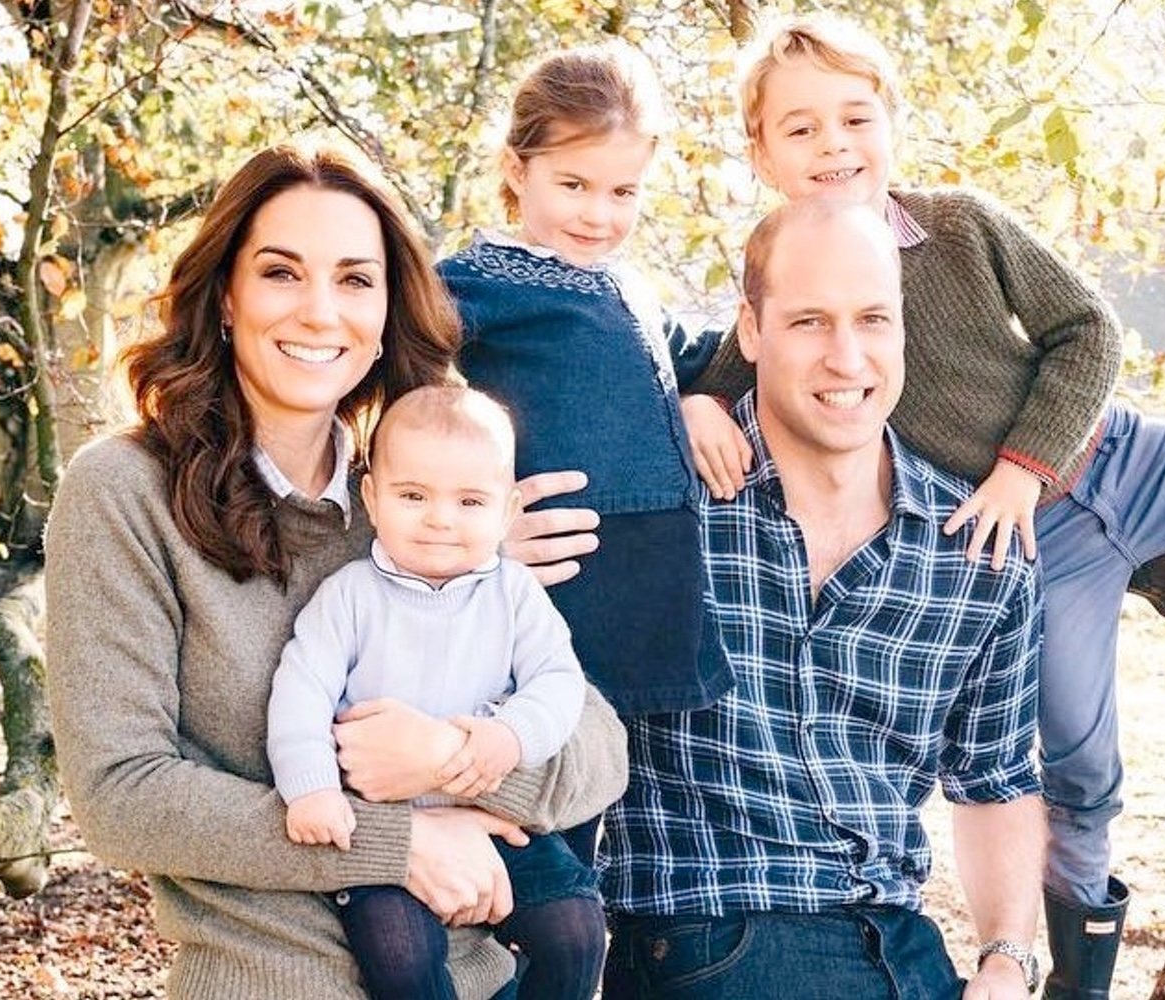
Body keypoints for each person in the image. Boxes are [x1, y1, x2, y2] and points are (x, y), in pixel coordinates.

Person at [680, 17, 1165, 996]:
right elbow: (724, 372)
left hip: (1116, 456)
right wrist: (689, 403)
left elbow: (1087, 328)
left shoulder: (959, 224)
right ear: (760, 153)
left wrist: (1020, 462)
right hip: (1033, 547)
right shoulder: (789, 281)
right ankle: (1075, 978)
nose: (832, 145)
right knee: (1079, 760)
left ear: (888, 123)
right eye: (799, 130)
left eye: (852, 117)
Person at [42, 142, 627, 1000]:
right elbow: (121, 795)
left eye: (356, 280)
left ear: (390, 309)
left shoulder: (428, 500)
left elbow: (600, 747)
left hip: (485, 976)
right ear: (228, 298)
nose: (321, 312)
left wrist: (451, 756)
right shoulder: (124, 492)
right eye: (282, 273)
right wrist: (399, 842)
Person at [598, 199, 1047, 999]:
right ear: (750, 328)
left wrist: (1008, 959)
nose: (848, 358)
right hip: (713, 933)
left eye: (872, 319)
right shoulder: (657, 508)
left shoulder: (977, 555)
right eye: (810, 323)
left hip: (903, 951)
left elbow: (996, 779)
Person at [438, 46, 734, 795]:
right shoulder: (476, 284)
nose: (599, 215)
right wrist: (472, 528)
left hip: (651, 586)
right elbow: (392, 391)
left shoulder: (626, 284)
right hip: (565, 584)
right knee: (547, 788)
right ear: (517, 169)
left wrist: (702, 396)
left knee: (623, 799)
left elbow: (690, 357)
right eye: (573, 184)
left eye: (623, 192)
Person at [268, 385, 604, 1000]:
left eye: (470, 500)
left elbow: (558, 681)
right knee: (399, 953)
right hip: (381, 831)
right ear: (372, 497)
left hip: (492, 819)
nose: (440, 519)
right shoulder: (349, 596)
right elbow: (301, 690)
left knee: (575, 931)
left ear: (507, 510)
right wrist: (310, 787)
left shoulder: (514, 594)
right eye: (413, 495)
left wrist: (511, 735)